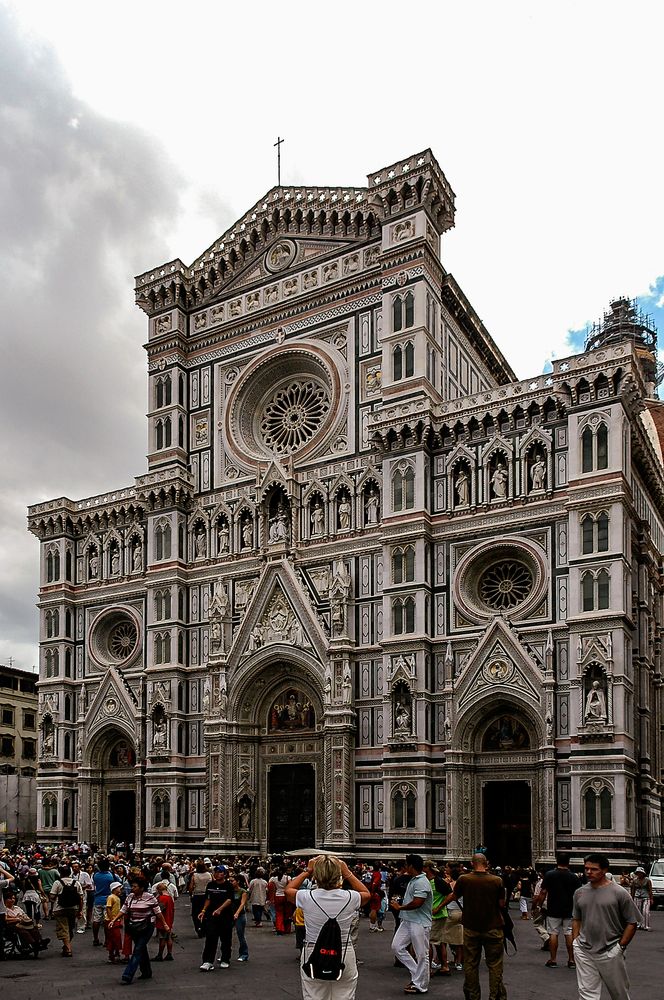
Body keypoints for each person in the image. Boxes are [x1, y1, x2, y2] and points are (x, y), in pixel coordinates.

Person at [285, 853, 369, 1000]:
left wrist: (307, 870)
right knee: (344, 995)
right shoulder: (350, 897)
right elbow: (366, 893)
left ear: (316, 876)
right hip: (343, 950)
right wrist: (347, 871)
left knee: (314, 995)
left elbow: (288, 890)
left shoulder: (307, 897)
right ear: (339, 876)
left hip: (313, 950)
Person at [572, 853, 640, 1000]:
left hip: (610, 950)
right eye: (586, 868)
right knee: (586, 995)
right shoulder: (579, 892)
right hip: (584, 950)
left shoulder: (619, 893)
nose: (589, 872)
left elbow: (632, 922)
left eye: (594, 869)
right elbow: (576, 919)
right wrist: (576, 942)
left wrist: (620, 947)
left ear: (604, 870)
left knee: (619, 994)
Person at [444, 852, 506, 1000]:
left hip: (471, 928)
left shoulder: (464, 879)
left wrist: (438, 907)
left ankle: (473, 996)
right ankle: (495, 996)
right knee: (495, 965)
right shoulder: (497, 880)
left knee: (471, 964)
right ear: (487, 863)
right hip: (493, 928)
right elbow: (501, 904)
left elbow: (453, 896)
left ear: (472, 864)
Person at [109, 871, 170, 984]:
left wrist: (165, 924)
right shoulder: (130, 897)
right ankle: (146, 971)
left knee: (137, 949)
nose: (133, 888)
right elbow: (124, 909)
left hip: (147, 927)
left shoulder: (150, 897)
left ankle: (128, 975)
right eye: (132, 886)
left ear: (142, 888)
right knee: (141, 948)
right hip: (134, 926)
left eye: (135, 886)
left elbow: (158, 912)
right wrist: (114, 919)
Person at [390, 854, 433, 995]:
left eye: (406, 864)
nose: (405, 866)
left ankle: (422, 985)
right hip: (408, 920)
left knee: (422, 953)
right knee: (397, 947)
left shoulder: (422, 882)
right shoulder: (414, 880)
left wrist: (400, 907)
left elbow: (417, 903)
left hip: (419, 922)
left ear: (411, 866)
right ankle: (417, 974)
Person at [534, 851, 580, 968]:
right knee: (569, 933)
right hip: (569, 909)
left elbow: (543, 892)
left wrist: (539, 905)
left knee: (553, 933)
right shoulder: (573, 877)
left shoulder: (550, 875)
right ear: (568, 862)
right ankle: (571, 960)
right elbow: (579, 894)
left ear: (557, 861)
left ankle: (553, 959)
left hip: (553, 909)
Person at [197, 865, 235, 970]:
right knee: (210, 937)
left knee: (226, 939)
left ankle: (225, 959)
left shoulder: (228, 886)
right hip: (211, 915)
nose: (217, 874)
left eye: (220, 872)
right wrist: (203, 910)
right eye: (216, 872)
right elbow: (208, 898)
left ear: (225, 874)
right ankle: (208, 961)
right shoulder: (210, 885)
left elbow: (229, 899)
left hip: (225, 916)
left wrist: (220, 909)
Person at [50, 863, 84, 958]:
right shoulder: (76, 883)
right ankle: (66, 946)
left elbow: (52, 896)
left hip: (60, 909)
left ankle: (68, 948)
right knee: (70, 928)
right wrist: (80, 910)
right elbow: (80, 898)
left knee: (63, 928)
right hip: (73, 909)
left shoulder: (57, 883)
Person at [423, 860, 451, 976]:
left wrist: (439, 906)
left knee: (428, 942)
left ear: (427, 868)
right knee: (439, 942)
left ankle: (428, 968)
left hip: (436, 915)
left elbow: (451, 894)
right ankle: (444, 966)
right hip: (433, 915)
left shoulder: (438, 882)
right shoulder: (428, 881)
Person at [92, 856, 114, 946]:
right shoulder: (110, 876)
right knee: (106, 920)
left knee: (96, 920)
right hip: (107, 899)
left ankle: (96, 939)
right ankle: (107, 940)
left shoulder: (96, 875)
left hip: (98, 899)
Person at [188, 859, 212, 936]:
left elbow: (191, 887)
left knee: (195, 913)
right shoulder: (209, 874)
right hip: (207, 895)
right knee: (206, 912)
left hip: (197, 895)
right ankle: (205, 928)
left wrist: (191, 894)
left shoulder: (194, 875)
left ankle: (198, 927)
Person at [229, 872, 249, 962]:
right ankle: (225, 954)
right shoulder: (228, 891)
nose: (230, 882)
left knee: (240, 935)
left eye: (232, 881)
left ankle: (244, 954)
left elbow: (242, 903)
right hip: (229, 915)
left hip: (240, 915)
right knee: (226, 936)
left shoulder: (242, 891)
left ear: (237, 881)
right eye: (229, 881)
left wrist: (237, 913)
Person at [153, 880, 175, 961]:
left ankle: (160, 954)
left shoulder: (162, 898)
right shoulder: (169, 898)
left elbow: (159, 910)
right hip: (169, 919)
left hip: (163, 921)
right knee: (168, 937)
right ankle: (169, 953)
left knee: (162, 938)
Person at [630, 866, 653, 930]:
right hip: (637, 897)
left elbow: (650, 890)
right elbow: (633, 890)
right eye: (638, 873)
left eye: (640, 873)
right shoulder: (635, 880)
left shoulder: (647, 880)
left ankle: (646, 925)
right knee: (637, 911)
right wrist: (632, 898)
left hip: (646, 897)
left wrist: (651, 898)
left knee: (645, 911)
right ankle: (638, 924)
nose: (639, 874)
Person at [105, 881, 123, 963]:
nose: (120, 890)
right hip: (112, 920)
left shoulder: (117, 898)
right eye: (119, 888)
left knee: (117, 937)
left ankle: (116, 953)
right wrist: (112, 919)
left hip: (116, 919)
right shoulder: (111, 897)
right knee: (113, 937)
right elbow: (108, 908)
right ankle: (112, 955)